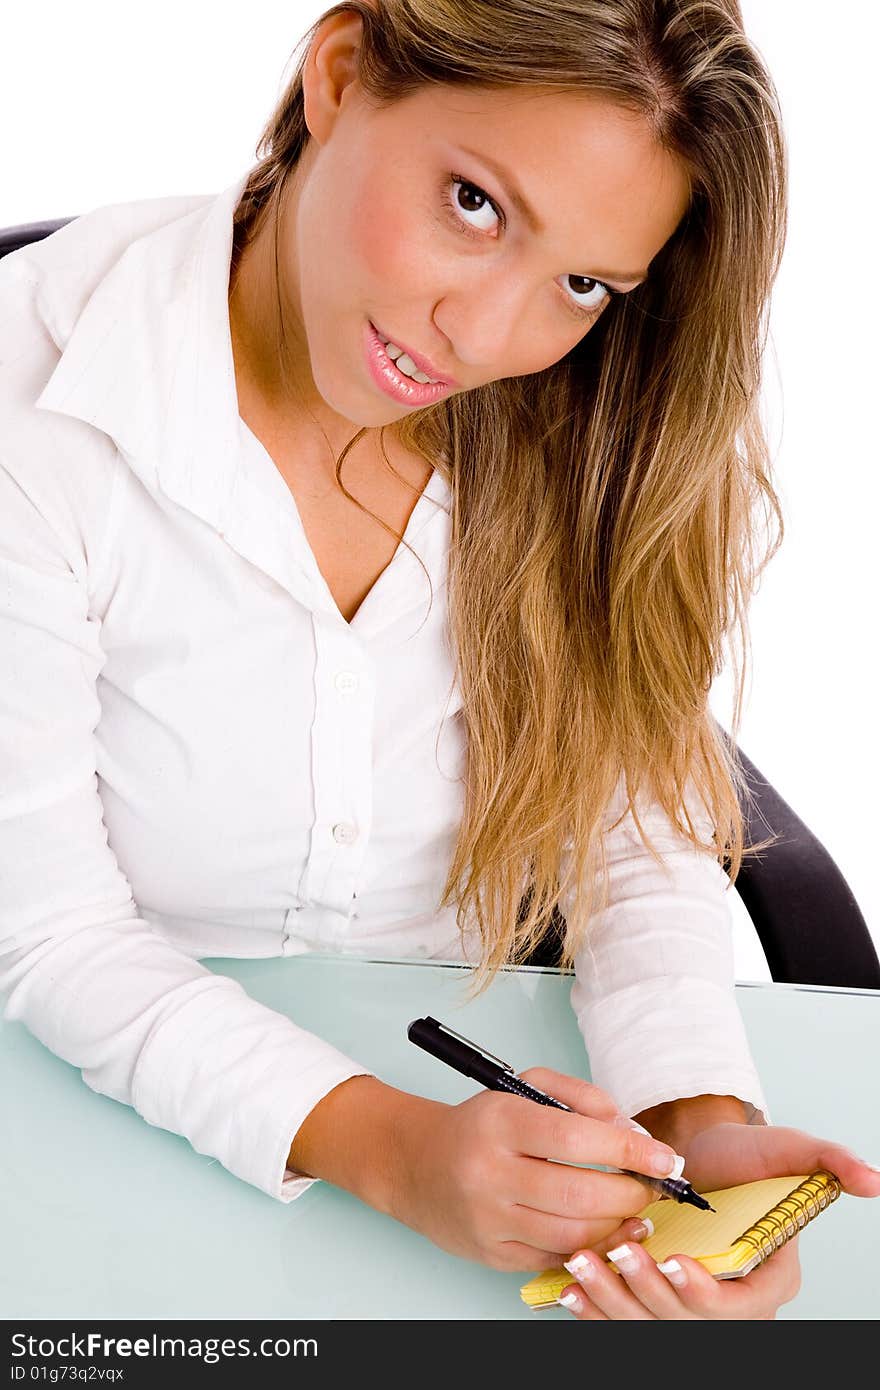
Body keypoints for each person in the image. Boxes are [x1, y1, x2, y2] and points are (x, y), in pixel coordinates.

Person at [1, 0, 877, 1322]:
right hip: (94, 1115)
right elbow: (53, 934)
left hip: (483, 1117)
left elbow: (627, 827)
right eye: (475, 202)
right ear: (341, 77)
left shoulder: (573, 421)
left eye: (583, 284)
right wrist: (397, 1151)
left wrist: (690, 1125)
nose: (482, 333)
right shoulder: (41, 403)